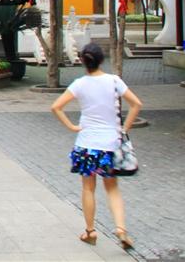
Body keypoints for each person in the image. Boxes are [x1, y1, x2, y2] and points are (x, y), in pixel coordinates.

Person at [50, 43, 143, 251]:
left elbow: (56, 107)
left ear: (83, 61)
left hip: (86, 143)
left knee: (88, 187)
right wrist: (124, 128)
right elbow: (136, 104)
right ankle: (121, 229)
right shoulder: (114, 81)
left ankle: (90, 231)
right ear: (102, 60)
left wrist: (72, 126)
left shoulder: (79, 84)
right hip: (111, 143)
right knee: (112, 188)